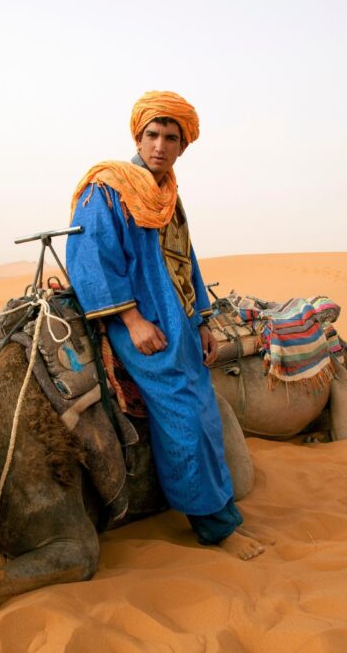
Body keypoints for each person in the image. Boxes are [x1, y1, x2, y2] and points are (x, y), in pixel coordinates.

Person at [65, 90, 266, 560]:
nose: (160, 145)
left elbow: (185, 261)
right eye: (152, 135)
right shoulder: (108, 188)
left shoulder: (169, 196)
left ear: (182, 145)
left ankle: (221, 509)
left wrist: (200, 322)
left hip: (178, 321)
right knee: (182, 414)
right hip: (137, 321)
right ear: (138, 135)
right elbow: (92, 260)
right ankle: (215, 528)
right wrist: (132, 320)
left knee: (205, 410)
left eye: (170, 137)